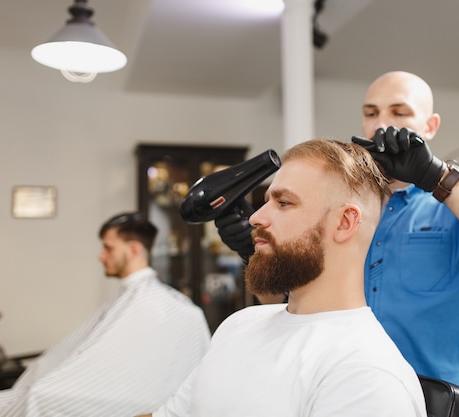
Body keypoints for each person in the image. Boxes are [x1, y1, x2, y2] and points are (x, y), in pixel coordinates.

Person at [216, 71, 459, 390]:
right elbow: (286, 302)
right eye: (371, 113)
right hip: (345, 390)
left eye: (399, 113)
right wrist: (256, 251)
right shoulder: (341, 205)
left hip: (435, 400)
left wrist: (436, 178)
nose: (382, 125)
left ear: (430, 125)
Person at [140, 139, 428, 417]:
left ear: (344, 222)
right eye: (267, 201)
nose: (255, 218)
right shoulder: (239, 325)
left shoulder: (364, 374)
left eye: (284, 203)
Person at [0, 212, 211, 416]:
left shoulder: (165, 306)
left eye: (108, 248)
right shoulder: (133, 296)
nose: (101, 256)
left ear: (133, 249)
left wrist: (43, 392)